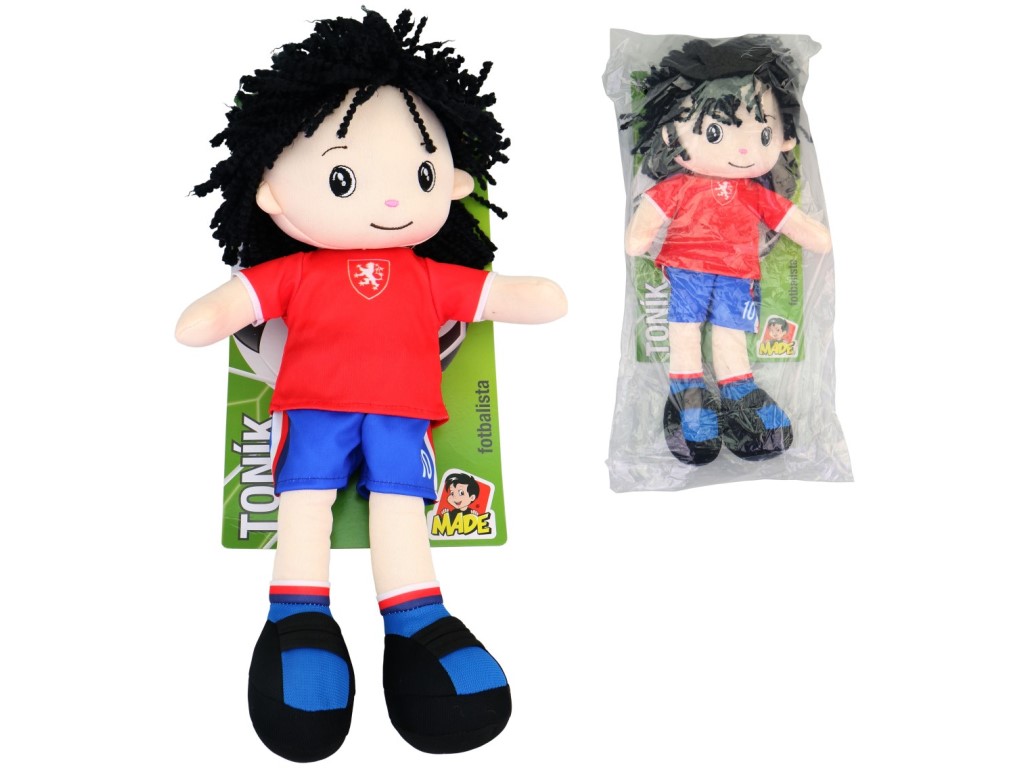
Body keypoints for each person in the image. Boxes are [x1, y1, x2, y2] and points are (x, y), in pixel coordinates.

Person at [176, 10, 566, 760]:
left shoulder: (425, 274)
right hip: (314, 407)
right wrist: (209, 313)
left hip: (402, 415)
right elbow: (234, 304)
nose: (390, 203)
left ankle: (417, 619)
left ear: (452, 183)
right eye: (344, 179)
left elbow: (498, 297)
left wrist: (528, 294)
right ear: (272, 192)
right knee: (304, 503)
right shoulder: (297, 270)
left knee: (399, 510)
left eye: (419, 178)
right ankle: (298, 616)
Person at [620, 35, 830, 464]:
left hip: (738, 274)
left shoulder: (754, 193)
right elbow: (645, 224)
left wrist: (816, 234)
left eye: (763, 133)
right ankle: (688, 391)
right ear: (670, 133)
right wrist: (638, 238)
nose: (743, 149)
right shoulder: (680, 186)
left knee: (729, 335)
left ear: (784, 139)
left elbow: (793, 222)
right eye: (714, 132)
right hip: (687, 270)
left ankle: (739, 392)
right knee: (684, 331)